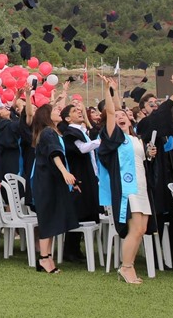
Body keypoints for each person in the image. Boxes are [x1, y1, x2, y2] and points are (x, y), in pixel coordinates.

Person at [99, 76, 155, 284]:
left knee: (141, 229)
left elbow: (141, 161)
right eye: (117, 115)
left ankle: (129, 265)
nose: (121, 116)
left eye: (125, 114)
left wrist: (150, 155)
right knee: (133, 229)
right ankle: (126, 267)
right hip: (126, 188)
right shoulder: (114, 137)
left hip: (141, 186)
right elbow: (112, 112)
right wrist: (110, 91)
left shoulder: (135, 139)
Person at [29, 99, 79, 273]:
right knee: (47, 219)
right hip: (46, 182)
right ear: (46, 116)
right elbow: (54, 154)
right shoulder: (48, 133)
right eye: (55, 109)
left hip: (50, 181)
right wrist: (65, 172)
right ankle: (44, 258)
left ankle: (47, 257)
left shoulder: (52, 132)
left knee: (51, 219)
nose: (59, 111)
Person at [59, 100, 100, 262]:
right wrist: (101, 141)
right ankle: (70, 250)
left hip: (89, 174)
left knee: (86, 213)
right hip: (78, 176)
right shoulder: (69, 133)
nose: (79, 112)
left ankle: (76, 249)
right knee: (78, 213)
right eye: (75, 111)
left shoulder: (82, 131)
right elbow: (81, 149)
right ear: (68, 118)